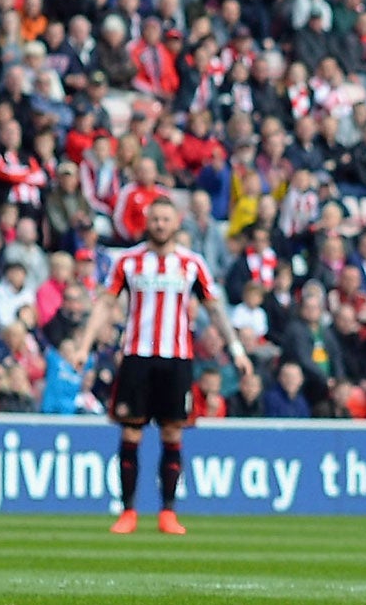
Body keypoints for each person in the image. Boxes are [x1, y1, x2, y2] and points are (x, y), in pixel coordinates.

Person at [70, 196, 252, 534]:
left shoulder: (191, 264)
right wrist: (84, 345)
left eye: (166, 219)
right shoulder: (128, 261)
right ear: (146, 223)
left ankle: (168, 512)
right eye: (155, 219)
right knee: (131, 431)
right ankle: (128, 512)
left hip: (177, 359)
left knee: (172, 431)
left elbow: (214, 309)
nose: (160, 225)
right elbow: (105, 304)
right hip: (137, 356)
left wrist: (236, 349)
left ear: (176, 222)